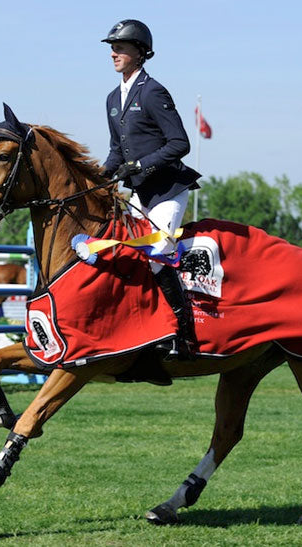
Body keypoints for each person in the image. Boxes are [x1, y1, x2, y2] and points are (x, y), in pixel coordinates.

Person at [101, 19, 200, 361]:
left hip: (167, 190)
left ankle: (182, 334)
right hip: (139, 195)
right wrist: (98, 178)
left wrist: (142, 165)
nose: (114, 52)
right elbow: (117, 150)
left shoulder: (153, 91)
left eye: (121, 47)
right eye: (112, 47)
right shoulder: (114, 98)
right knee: (124, 256)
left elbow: (180, 143)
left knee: (156, 255)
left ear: (140, 53)